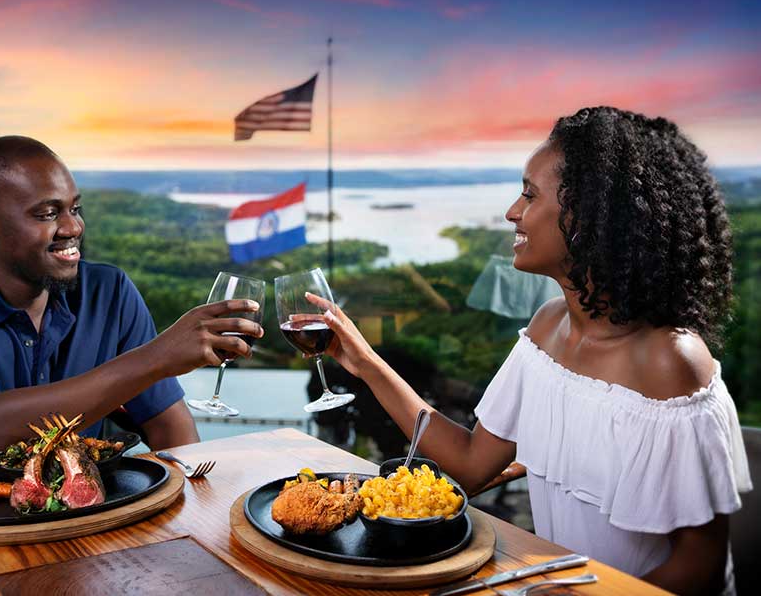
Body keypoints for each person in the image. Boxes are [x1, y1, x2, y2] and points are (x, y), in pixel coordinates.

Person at [309, 107, 752, 595]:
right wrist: (364, 362)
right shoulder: (547, 329)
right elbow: (471, 462)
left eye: (529, 194)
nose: (512, 212)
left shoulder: (671, 362)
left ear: (588, 218)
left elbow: (700, 569)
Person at [0, 136, 263, 492]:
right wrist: (159, 356)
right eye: (47, 214)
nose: (73, 226)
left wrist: (197, 521)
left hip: (77, 524)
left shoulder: (108, 292)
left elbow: (168, 427)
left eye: (74, 208)